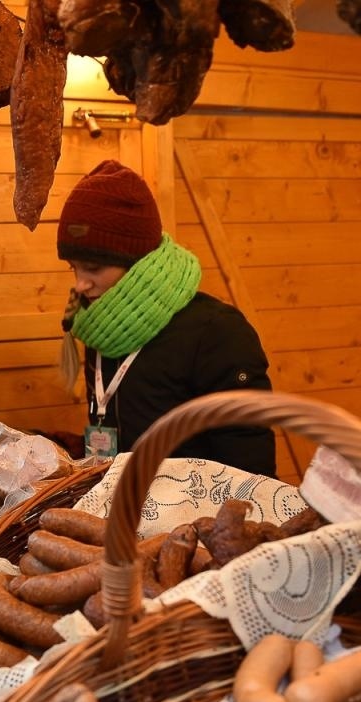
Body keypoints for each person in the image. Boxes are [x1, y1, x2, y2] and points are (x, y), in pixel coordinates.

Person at [58, 160, 276, 474]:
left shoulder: (217, 333)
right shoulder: (100, 326)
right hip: (125, 507)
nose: (81, 283)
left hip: (196, 517)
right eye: (73, 267)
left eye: (93, 268)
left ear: (139, 262)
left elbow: (250, 469)